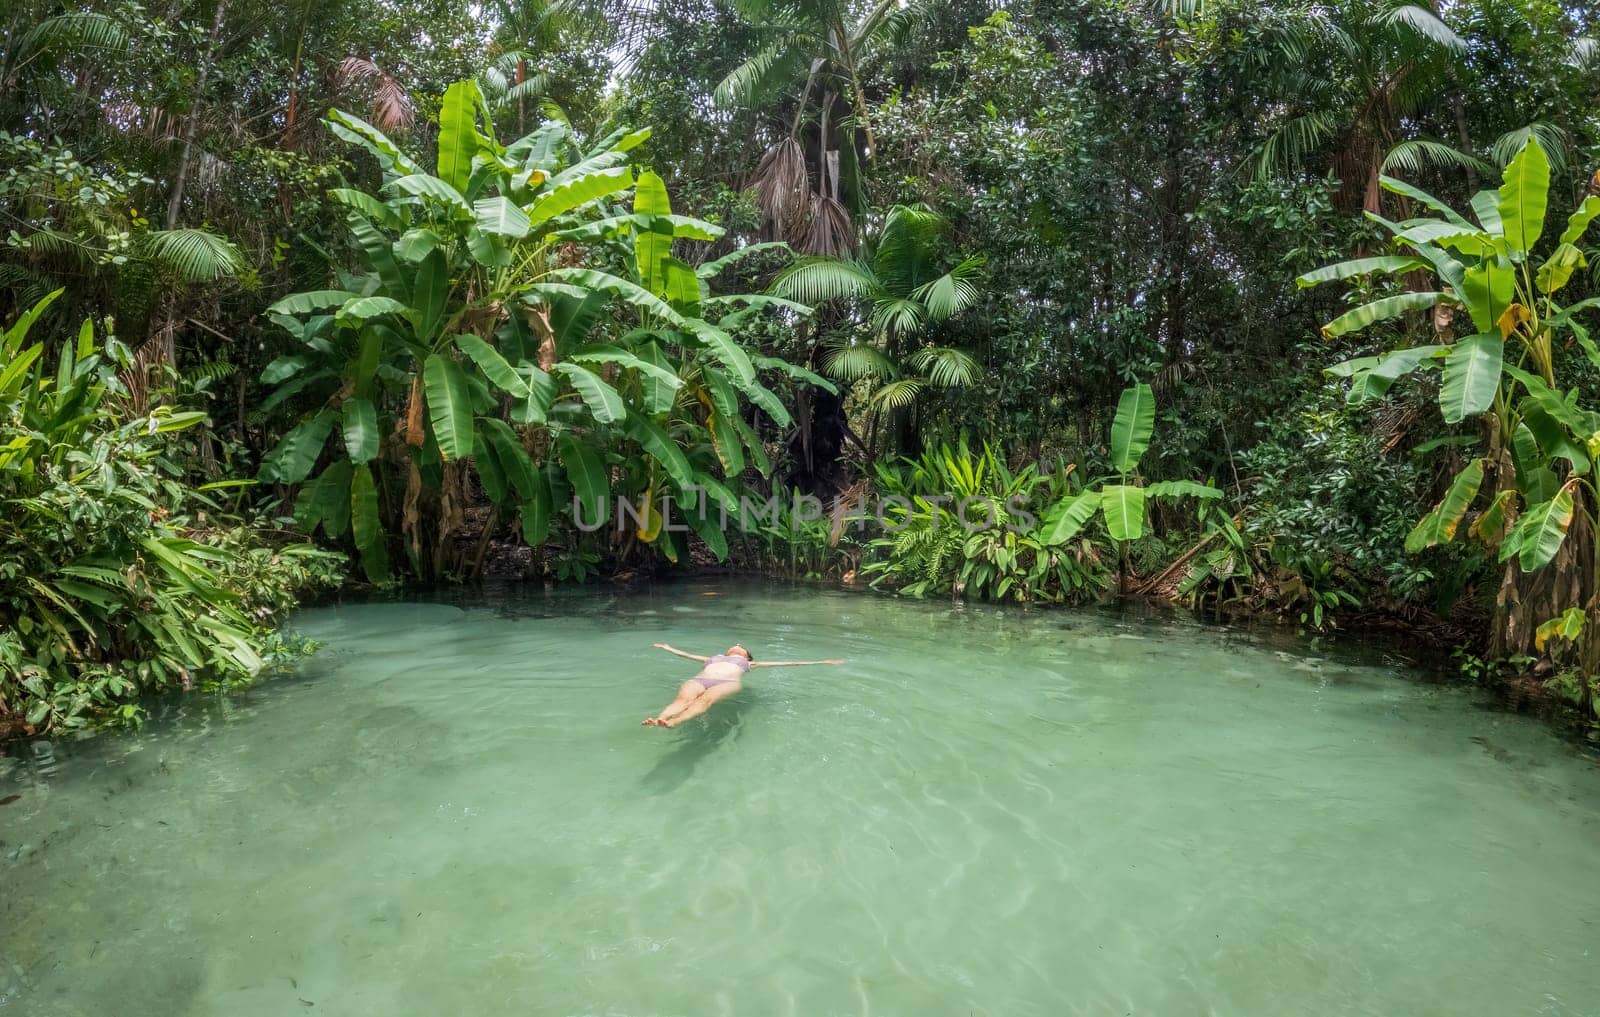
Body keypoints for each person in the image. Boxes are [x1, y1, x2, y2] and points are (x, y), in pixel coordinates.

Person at [642, 643, 843, 728]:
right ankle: (660, 719)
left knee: (705, 700)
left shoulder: (749, 663)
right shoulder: (711, 658)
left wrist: (821, 661)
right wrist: (667, 648)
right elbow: (686, 655)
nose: (736, 644)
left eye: (741, 647)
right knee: (683, 699)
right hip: (699, 679)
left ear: (746, 656)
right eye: (734, 645)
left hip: (727, 683)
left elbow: (786, 663)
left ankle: (673, 723)